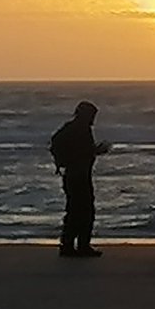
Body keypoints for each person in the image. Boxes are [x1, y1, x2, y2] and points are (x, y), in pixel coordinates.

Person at [49, 100, 110, 258]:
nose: (93, 119)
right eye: (92, 115)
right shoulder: (79, 129)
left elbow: (78, 149)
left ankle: (72, 244)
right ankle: (77, 245)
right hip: (78, 175)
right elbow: (82, 151)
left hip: (77, 174)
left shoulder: (73, 128)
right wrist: (97, 151)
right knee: (82, 210)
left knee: (77, 210)